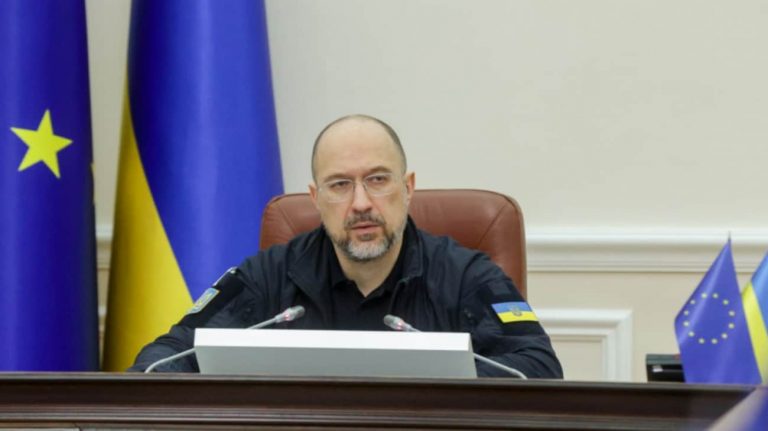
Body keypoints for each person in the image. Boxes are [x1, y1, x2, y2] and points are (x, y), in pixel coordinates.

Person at [129, 114, 563, 378]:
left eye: (378, 180)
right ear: (315, 198)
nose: (361, 204)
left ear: (408, 188)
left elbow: (539, 371)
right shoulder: (267, 278)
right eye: (340, 185)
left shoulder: (467, 275)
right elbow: (162, 360)